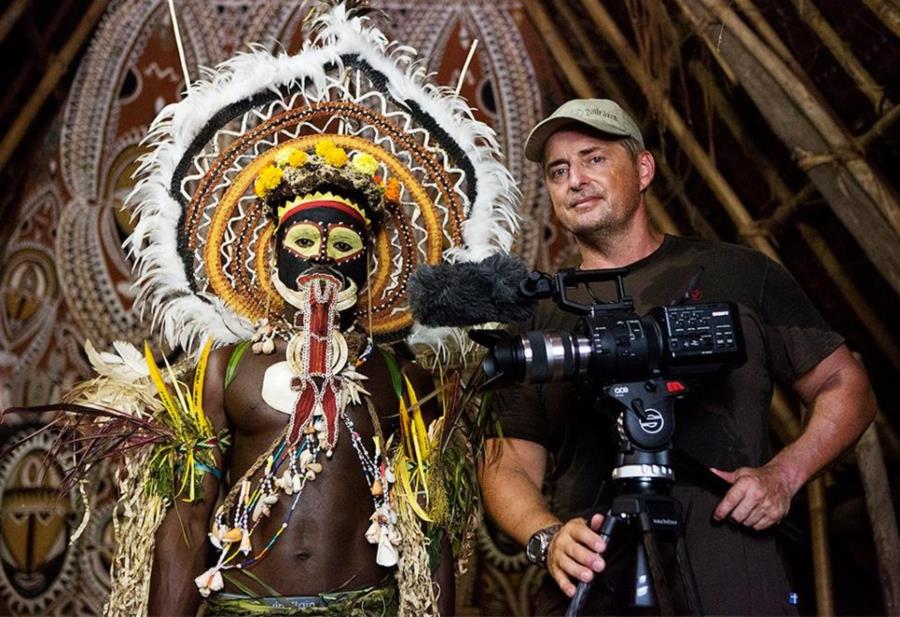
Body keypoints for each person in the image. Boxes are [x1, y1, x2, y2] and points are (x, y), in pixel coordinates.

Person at [479, 98, 876, 615]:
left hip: (733, 563)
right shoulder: (539, 314)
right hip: (597, 569)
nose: (575, 179)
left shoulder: (738, 275)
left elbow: (847, 385)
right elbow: (506, 461)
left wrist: (784, 474)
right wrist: (546, 536)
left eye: (594, 158)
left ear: (643, 169)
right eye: (559, 170)